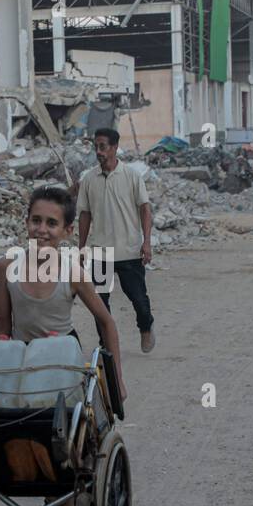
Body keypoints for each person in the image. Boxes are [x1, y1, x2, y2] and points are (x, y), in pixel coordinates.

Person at [0, 185, 126, 506]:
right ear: (26, 223)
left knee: (67, 447)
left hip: (63, 359)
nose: (42, 230)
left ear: (68, 230)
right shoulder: (8, 267)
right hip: (21, 358)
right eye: (36, 221)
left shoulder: (73, 271)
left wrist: (115, 376)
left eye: (52, 223)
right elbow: (1, 321)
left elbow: (106, 322)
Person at [77, 127, 156, 353]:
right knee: (99, 303)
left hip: (129, 250)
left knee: (138, 298)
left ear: (114, 147)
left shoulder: (131, 176)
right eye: (96, 147)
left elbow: (145, 209)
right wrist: (81, 248)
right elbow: (84, 214)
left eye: (103, 147)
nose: (99, 151)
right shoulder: (89, 179)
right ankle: (107, 344)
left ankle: (146, 326)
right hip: (101, 253)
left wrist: (146, 242)